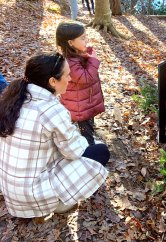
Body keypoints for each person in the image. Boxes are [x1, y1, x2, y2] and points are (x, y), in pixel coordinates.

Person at [0, 52, 109, 218]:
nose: (70, 79)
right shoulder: (52, 111)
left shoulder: (13, 98)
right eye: (67, 75)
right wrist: (88, 143)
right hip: (34, 196)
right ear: (52, 81)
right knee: (100, 151)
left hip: (11, 190)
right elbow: (74, 152)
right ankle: (60, 203)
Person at [56, 21, 105, 145]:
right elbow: (85, 78)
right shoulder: (70, 62)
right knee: (86, 131)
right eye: (83, 38)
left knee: (89, 126)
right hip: (79, 107)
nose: (86, 40)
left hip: (85, 102)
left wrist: (87, 55)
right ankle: (90, 153)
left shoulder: (76, 55)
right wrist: (93, 60)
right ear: (70, 43)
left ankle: (88, 143)